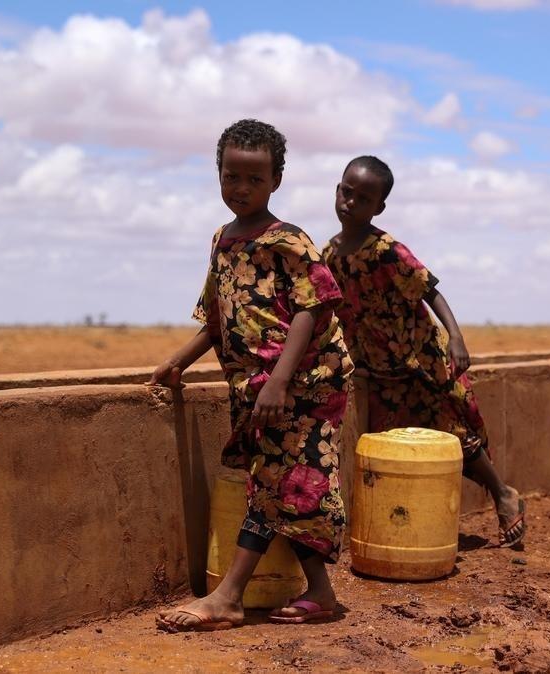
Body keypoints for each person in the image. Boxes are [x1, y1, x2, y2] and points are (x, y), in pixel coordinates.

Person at [149, 119, 353, 631]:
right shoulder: (222, 240)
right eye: (231, 176)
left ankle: (228, 597)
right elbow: (219, 319)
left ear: (276, 182)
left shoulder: (288, 241)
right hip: (256, 389)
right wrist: (179, 361)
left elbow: (311, 309)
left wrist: (281, 381)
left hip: (306, 384)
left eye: (254, 180)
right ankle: (322, 594)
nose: (241, 188)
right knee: (286, 486)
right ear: (218, 174)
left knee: (278, 482)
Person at [322, 156, 525, 548]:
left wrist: (456, 337)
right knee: (397, 448)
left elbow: (430, 291)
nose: (351, 202)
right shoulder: (329, 255)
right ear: (337, 190)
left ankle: (503, 495)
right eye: (347, 192)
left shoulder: (387, 250)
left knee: (454, 436)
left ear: (378, 207)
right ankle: (403, 524)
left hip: (420, 363)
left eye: (363, 198)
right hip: (379, 371)